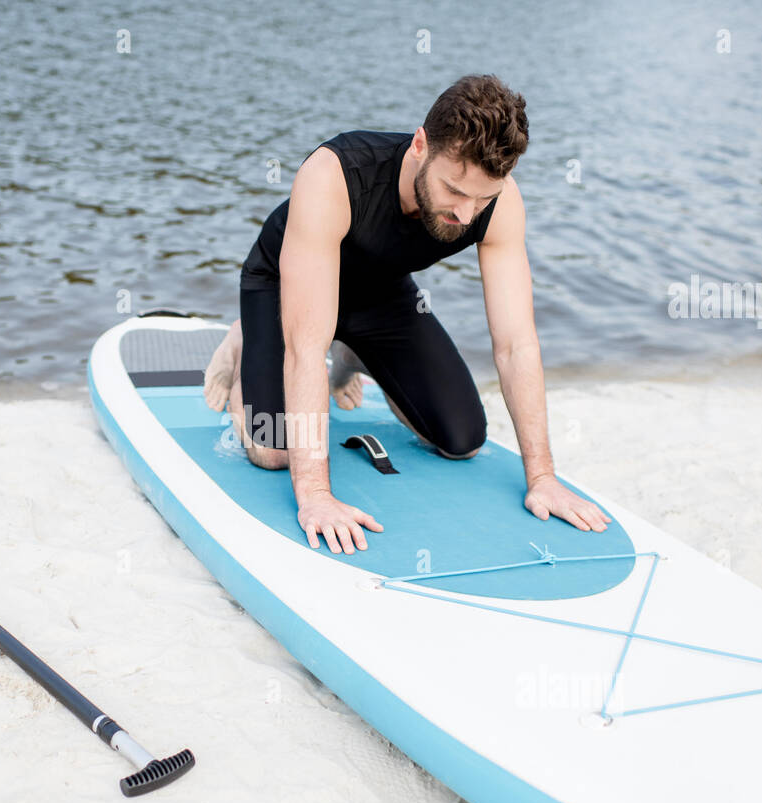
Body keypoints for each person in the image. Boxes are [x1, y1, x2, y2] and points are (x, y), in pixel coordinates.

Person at [203, 74, 611, 555]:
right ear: (420, 144)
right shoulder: (334, 174)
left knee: (462, 440)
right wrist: (316, 495)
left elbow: (516, 343)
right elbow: (306, 350)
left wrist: (542, 477)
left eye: (482, 198)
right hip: (284, 290)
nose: (466, 213)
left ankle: (354, 348)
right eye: (455, 190)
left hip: (381, 293)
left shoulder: (497, 201)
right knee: (274, 451)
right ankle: (248, 337)